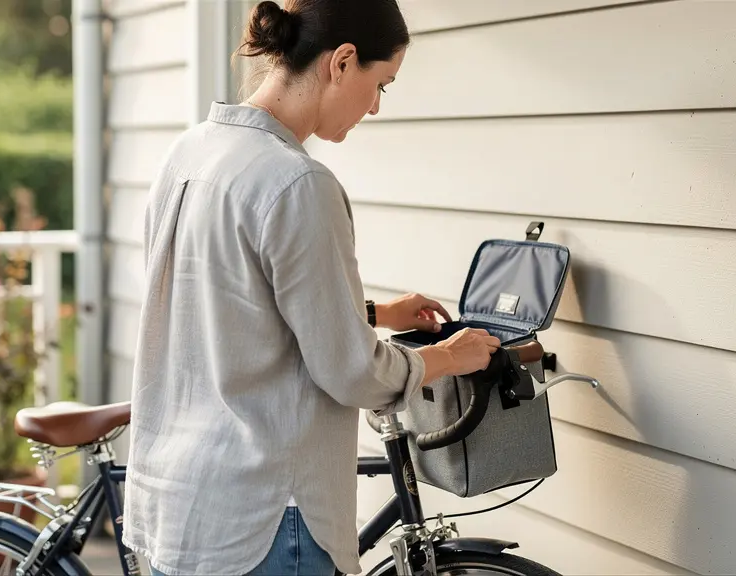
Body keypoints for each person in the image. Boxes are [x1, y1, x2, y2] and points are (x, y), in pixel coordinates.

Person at [121, 1, 502, 574]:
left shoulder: (190, 152)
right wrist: (447, 357)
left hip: (182, 507)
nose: (374, 106)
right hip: (268, 519)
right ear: (343, 62)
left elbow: (227, 305)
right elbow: (351, 371)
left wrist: (373, 311)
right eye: (382, 84)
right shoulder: (297, 182)